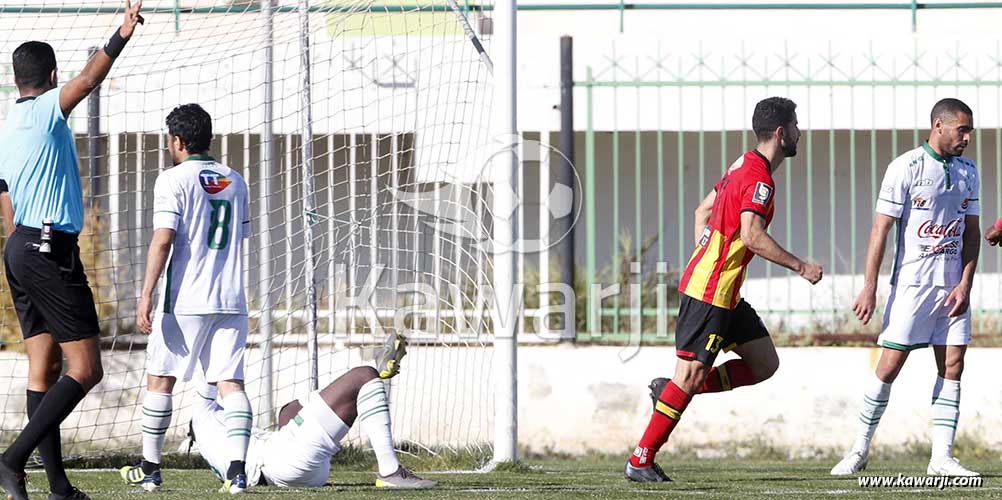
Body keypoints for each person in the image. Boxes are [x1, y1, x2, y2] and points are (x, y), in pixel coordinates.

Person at [624, 97, 823, 482]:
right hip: (710, 294)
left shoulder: (741, 164)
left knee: (764, 363)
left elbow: (702, 211)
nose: (801, 132)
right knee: (691, 376)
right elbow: (752, 236)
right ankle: (641, 459)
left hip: (723, 292)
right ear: (781, 133)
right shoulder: (760, 180)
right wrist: (800, 266)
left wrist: (705, 254)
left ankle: (672, 392)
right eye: (796, 126)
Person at [0, 3, 144, 499]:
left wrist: (22, 244)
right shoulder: (45, 109)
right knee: (86, 368)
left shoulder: (5, 125)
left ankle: (55, 486)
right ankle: (12, 460)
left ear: (15, 80)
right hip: (47, 248)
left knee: (44, 368)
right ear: (51, 75)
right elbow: (86, 81)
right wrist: (120, 35)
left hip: (19, 248)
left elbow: (4, 196)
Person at [831, 98, 980, 477]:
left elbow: (972, 232)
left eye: (970, 131)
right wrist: (869, 287)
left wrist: (965, 282)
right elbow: (880, 230)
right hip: (913, 285)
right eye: (962, 130)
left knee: (953, 365)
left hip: (952, 286)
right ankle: (859, 448)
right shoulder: (906, 166)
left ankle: (942, 458)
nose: (967, 138)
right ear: (938, 126)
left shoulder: (968, 170)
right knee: (890, 365)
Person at [119, 104, 255, 494]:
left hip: (185, 301)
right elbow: (238, 237)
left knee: (160, 380)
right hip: (230, 299)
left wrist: (145, 294)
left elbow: (164, 239)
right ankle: (237, 472)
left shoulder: (172, 179)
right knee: (231, 383)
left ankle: (150, 468)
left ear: (177, 140)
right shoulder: (236, 180)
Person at [188, 334, 434, 490]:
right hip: (282, 460)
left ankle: (358, 389)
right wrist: (217, 329)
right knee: (364, 375)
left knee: (287, 411)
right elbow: (213, 372)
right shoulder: (202, 417)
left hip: (288, 470)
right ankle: (390, 471)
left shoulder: (217, 445)